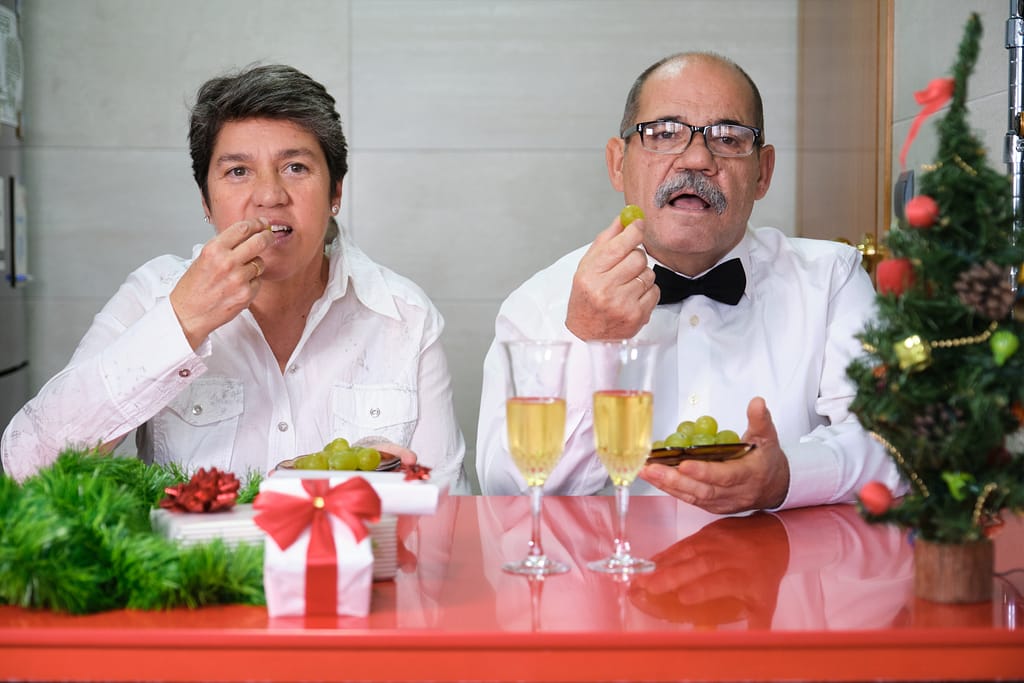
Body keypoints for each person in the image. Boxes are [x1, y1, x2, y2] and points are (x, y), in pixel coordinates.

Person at [2, 64, 467, 491]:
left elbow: (447, 515)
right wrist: (180, 324)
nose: (268, 195)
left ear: (335, 193)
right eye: (238, 171)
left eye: (296, 167)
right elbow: (24, 470)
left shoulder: (404, 316)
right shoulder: (153, 295)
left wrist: (392, 487)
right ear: (206, 202)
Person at [476, 51, 903, 512]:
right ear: (618, 163)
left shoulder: (831, 279)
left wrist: (788, 476)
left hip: (782, 577)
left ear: (763, 172)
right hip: (612, 578)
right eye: (663, 134)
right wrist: (589, 341)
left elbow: (897, 443)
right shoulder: (540, 302)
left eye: (729, 137)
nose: (698, 158)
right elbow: (509, 492)